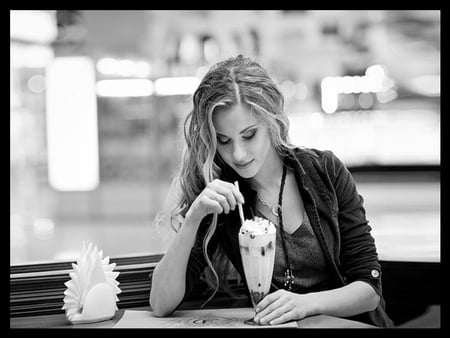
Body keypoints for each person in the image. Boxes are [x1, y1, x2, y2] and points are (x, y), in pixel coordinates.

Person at [149, 55, 394, 327]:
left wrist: (304, 304)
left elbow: (369, 290)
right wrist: (194, 217)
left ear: (271, 119)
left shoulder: (326, 171)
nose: (238, 154)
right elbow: (160, 304)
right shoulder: (220, 196)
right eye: (224, 140)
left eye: (249, 135)